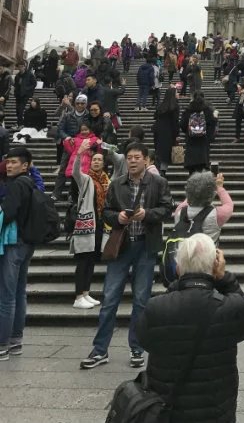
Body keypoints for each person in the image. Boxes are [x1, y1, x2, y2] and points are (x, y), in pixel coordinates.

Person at [137, 234, 244, 423]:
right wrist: (225, 279)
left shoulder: (156, 307)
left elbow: (144, 340)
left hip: (168, 410)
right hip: (216, 411)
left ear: (177, 268)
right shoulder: (230, 307)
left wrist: (178, 283)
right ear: (215, 266)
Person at [80, 142, 173, 369]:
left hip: (145, 247)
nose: (132, 161)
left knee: (141, 300)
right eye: (129, 157)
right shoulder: (116, 184)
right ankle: (100, 349)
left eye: (136, 157)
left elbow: (167, 209)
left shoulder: (158, 183)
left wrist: (147, 214)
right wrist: (118, 217)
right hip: (121, 248)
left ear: (146, 160)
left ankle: (137, 348)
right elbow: (107, 213)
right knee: (109, 298)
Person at [0, 145, 37, 360]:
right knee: (18, 293)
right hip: (26, 243)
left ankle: (2, 344)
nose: (10, 165)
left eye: (15, 162)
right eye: (9, 161)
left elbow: (10, 212)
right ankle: (15, 341)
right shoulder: (30, 183)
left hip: (14, 243)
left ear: (25, 165)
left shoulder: (16, 185)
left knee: (6, 296)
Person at [70, 139, 110, 309]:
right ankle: (78, 296)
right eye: (94, 159)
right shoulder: (85, 179)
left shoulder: (106, 180)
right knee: (83, 261)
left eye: (100, 160)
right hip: (86, 224)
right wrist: (79, 153)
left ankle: (86, 293)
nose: (97, 162)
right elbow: (74, 172)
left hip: (99, 224)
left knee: (92, 260)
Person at [173, 171, 233, 244]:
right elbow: (229, 204)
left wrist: (193, 189)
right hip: (207, 254)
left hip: (182, 253)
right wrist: (219, 187)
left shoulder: (179, 210)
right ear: (212, 194)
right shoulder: (218, 215)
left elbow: (189, 197)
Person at [53, 94, 90, 200]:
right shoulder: (68, 115)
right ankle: (56, 194)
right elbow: (60, 129)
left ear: (86, 104)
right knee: (63, 169)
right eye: (78, 103)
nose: (80, 105)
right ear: (75, 103)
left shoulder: (89, 116)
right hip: (69, 146)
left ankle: (73, 193)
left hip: (83, 146)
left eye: (82, 103)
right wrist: (67, 137)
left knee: (79, 170)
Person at [180, 93, 217, 174]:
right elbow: (213, 123)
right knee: (202, 169)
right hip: (203, 143)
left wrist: (188, 132)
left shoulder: (188, 110)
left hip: (191, 142)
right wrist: (209, 137)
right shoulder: (207, 110)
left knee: (192, 170)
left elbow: (182, 124)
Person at [153, 87, 180, 176]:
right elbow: (175, 122)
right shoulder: (174, 106)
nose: (178, 94)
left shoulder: (161, 106)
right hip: (169, 133)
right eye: (176, 92)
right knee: (166, 154)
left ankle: (158, 170)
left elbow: (155, 117)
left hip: (159, 133)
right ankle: (162, 172)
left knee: (160, 152)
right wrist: (177, 134)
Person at [13, 63, 36, 129]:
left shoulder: (29, 74)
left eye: (22, 66)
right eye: (19, 67)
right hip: (18, 95)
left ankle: (20, 124)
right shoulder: (17, 76)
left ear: (24, 67)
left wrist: (27, 89)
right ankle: (20, 123)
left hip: (25, 95)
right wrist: (15, 92)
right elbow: (16, 85)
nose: (20, 68)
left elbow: (34, 83)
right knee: (17, 110)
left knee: (21, 109)